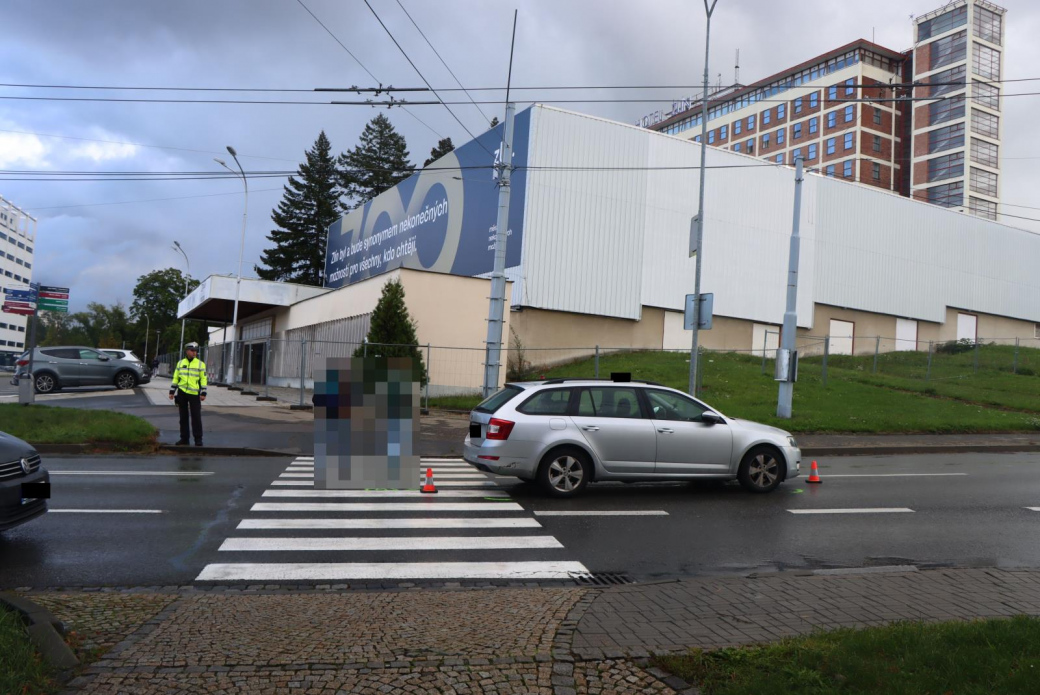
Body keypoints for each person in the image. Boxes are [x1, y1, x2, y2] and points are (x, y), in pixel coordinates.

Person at [169, 342, 207, 446]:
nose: (194, 353)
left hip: (194, 393)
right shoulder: (180, 363)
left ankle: (198, 439)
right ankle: (184, 439)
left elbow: (203, 378)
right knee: (183, 417)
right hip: (182, 392)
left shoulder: (200, 364)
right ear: (187, 351)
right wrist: (172, 391)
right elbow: (176, 377)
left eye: (195, 351)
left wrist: (203, 392)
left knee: (196, 417)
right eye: (192, 350)